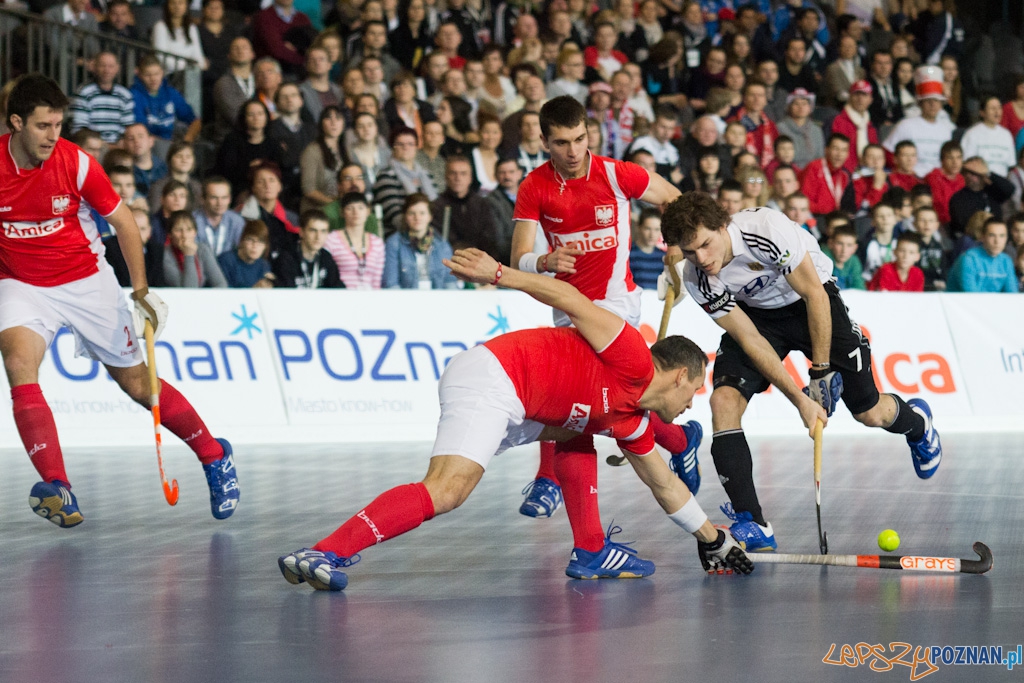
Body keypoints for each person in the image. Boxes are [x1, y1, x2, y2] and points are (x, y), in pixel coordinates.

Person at [279, 245, 755, 591]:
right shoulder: (630, 352)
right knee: (447, 490)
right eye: (695, 389)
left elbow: (665, 485)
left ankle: (591, 549)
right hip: (497, 377)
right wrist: (498, 273)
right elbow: (568, 298)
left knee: (579, 433)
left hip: (524, 406)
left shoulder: (630, 420)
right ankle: (324, 551)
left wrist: (712, 539)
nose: (692, 402)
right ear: (679, 376)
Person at [1, 75, 238, 527]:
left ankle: (214, 454)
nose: (53, 135)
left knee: (136, 384)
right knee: (18, 364)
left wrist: (141, 292)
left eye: (58, 125)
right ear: (16, 122)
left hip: (85, 280)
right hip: (21, 282)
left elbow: (126, 224)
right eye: (43, 126)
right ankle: (58, 487)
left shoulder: (77, 164)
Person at [658, 193, 942, 552]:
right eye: (689, 252)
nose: (701, 258)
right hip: (758, 318)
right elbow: (750, 339)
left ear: (722, 226)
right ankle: (753, 521)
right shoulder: (697, 277)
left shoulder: (766, 230)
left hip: (809, 301)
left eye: (705, 245)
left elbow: (814, 295)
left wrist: (820, 371)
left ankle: (918, 424)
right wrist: (799, 400)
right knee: (723, 401)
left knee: (869, 412)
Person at [508, 96, 702, 543]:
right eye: (562, 143)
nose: (573, 151)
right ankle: (679, 441)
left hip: (616, 306)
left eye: (580, 139)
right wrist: (544, 261)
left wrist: (675, 245)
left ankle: (548, 480)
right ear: (545, 142)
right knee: (598, 405)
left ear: (589, 133)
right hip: (567, 306)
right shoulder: (534, 186)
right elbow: (518, 257)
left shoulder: (617, 174)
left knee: (572, 394)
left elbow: (674, 199)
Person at [883, 65, 955, 177]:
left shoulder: (946, 129)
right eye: (928, 100)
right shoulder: (905, 125)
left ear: (941, 104)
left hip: (938, 180)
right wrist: (903, 172)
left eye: (936, 100)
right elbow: (887, 153)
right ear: (920, 104)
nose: (932, 104)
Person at [383, 193, 458, 289]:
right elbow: (391, 284)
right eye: (412, 213)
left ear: (430, 216)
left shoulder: (442, 245)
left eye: (422, 213)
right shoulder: (394, 243)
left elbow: (450, 282)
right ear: (405, 216)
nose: (417, 218)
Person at [130, 56, 201, 157]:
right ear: (140, 75)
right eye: (148, 75)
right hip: (147, 144)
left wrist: (186, 141)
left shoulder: (171, 92)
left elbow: (195, 121)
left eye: (156, 74)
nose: (153, 79)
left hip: (169, 143)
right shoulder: (134, 94)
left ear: (162, 73)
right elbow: (140, 129)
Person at [215, 99, 284, 201]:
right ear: (244, 118)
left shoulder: (273, 143)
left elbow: (280, 170)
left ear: (266, 117)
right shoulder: (232, 140)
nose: (256, 118)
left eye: (260, 114)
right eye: (251, 114)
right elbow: (226, 171)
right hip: (239, 188)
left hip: (268, 189)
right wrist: (250, 168)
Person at [373, 127, 438, 234]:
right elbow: (394, 214)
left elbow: (437, 208)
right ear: (393, 148)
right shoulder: (386, 176)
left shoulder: (427, 175)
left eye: (410, 144)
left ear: (417, 147)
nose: (406, 147)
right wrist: (419, 233)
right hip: (397, 235)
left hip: (429, 233)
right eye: (400, 144)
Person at [431, 156, 499, 258]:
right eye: (453, 173)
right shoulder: (436, 206)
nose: (458, 178)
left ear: (470, 178)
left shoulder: (482, 204)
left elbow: (490, 239)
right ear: (445, 177)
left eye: (463, 173)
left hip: (479, 260)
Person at [267, 82, 317, 209]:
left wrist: (289, 153)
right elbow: (281, 162)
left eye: (294, 95)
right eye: (284, 97)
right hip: (284, 191)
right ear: (277, 103)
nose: (289, 99)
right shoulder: (270, 129)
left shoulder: (313, 130)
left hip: (311, 186)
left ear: (301, 101)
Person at [69, 52, 135, 145]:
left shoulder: (125, 95)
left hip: (119, 146)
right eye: (102, 66)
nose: (106, 70)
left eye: (111, 66)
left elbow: (128, 127)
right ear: (94, 67)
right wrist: (104, 145)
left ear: (117, 68)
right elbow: (79, 128)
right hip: (92, 146)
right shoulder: (84, 92)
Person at [323, 192, 386, 289]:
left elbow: (377, 281)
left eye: (360, 208)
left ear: (368, 211)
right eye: (350, 208)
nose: (356, 212)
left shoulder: (377, 243)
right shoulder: (331, 240)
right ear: (342, 212)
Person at [948, 157, 1015, 241]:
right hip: (971, 240)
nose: (972, 176)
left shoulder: (993, 192)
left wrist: (988, 173)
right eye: (969, 172)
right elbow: (962, 225)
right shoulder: (958, 198)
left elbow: (1010, 189)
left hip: (994, 237)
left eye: (977, 173)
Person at [272, 210, 344, 288]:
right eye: (313, 230)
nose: (318, 236)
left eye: (323, 231)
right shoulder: (286, 259)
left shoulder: (326, 257)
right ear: (301, 232)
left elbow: (337, 288)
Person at [946, 218, 1019, 293]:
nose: (997, 241)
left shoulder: (1006, 261)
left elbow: (1012, 294)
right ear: (983, 237)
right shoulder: (968, 259)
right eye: (992, 235)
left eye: (1002, 236)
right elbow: (971, 296)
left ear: (1006, 238)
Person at [163, 210, 229, 288]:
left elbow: (221, 284)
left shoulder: (203, 249)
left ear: (195, 232)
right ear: (170, 234)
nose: (184, 235)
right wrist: (189, 255)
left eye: (189, 229)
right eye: (178, 230)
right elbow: (188, 290)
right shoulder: (165, 254)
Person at [299, 106, 347, 214]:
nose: (333, 122)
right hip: (317, 212)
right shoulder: (312, 150)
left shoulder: (345, 148)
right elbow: (308, 190)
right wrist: (335, 205)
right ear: (321, 123)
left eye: (338, 118)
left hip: (341, 211)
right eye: (328, 118)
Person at [212, 37, 256, 145]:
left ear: (252, 54)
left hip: (256, 138)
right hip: (230, 141)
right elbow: (236, 117)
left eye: (244, 47)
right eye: (235, 48)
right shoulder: (223, 84)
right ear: (229, 56)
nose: (240, 51)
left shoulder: (259, 80)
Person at [250, 0, 313, 77]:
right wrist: (304, 60)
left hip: (300, 71)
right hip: (271, 73)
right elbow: (277, 50)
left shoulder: (302, 18)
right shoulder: (264, 17)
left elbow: (311, 46)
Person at [800, 134, 856, 217]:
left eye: (844, 150)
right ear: (826, 150)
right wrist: (827, 211)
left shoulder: (845, 175)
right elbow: (804, 201)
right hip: (813, 216)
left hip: (833, 218)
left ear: (847, 154)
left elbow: (849, 206)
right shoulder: (814, 167)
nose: (839, 154)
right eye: (836, 149)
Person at [960, 95, 1016, 178]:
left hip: (1002, 182)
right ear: (982, 112)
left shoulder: (1006, 135)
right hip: (980, 181)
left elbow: (1011, 165)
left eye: (999, 108)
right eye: (993, 108)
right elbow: (966, 164)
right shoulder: (972, 134)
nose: (997, 112)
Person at [483, 157, 522, 266]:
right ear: (495, 175)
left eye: (511, 172)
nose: (507, 176)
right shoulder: (490, 202)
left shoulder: (530, 196)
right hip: (507, 261)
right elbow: (497, 240)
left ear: (519, 173)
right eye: (502, 172)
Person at [193, 176, 245, 257]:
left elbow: (242, 252)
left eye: (224, 198)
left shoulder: (237, 221)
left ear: (230, 199)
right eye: (214, 198)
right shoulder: (192, 220)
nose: (220, 203)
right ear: (202, 199)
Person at [152, 0, 208, 74]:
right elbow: (161, 56)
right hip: (169, 74)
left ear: (186, 6)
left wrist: (199, 65)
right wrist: (187, 67)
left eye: (181, 3)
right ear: (167, 6)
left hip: (191, 73)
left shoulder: (192, 28)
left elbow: (198, 56)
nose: (177, 6)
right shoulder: (160, 26)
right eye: (173, 3)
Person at [147, 142, 202, 214]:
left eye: (188, 156)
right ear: (170, 160)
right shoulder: (159, 186)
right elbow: (155, 213)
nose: (184, 160)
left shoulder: (197, 186)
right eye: (179, 156)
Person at [218, 220, 275, 288]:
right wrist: (252, 290)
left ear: (265, 246)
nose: (255, 246)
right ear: (242, 240)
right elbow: (222, 291)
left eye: (260, 241)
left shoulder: (264, 265)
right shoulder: (226, 260)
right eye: (250, 240)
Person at [776, 89, 823, 169]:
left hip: (812, 171)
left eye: (804, 104)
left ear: (810, 108)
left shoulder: (816, 130)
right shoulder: (780, 128)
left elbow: (820, 157)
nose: (801, 107)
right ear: (789, 107)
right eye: (796, 104)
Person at [299, 47, 343, 124]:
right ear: (307, 65)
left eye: (321, 59)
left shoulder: (338, 90)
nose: (317, 63)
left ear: (329, 65)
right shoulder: (300, 91)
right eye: (313, 60)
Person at [122, 123, 168, 198]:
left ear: (151, 141)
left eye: (140, 136)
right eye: (131, 138)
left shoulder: (164, 168)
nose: (136, 141)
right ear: (124, 145)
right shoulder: (124, 170)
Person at [924, 140, 963, 226]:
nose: (955, 162)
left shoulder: (962, 179)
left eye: (958, 157)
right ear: (942, 160)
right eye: (950, 158)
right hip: (937, 224)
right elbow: (939, 206)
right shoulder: (933, 178)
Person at [860, 200, 899, 281]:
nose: (885, 219)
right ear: (873, 222)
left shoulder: (901, 244)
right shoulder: (864, 245)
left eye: (889, 215)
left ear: (895, 219)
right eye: (880, 216)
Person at [914, 206, 950, 290]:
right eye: (922, 220)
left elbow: (943, 269)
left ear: (937, 225)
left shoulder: (938, 246)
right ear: (914, 224)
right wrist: (930, 283)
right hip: (917, 288)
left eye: (931, 221)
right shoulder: (911, 245)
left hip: (937, 288)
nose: (927, 224)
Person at [629, 208, 665, 290]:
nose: (652, 234)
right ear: (639, 228)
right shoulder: (628, 254)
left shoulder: (663, 257)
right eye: (648, 228)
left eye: (657, 229)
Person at [823, 223, 864, 289]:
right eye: (839, 243)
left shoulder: (854, 261)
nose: (844, 250)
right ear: (830, 243)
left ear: (855, 248)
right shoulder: (823, 259)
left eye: (849, 245)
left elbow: (859, 287)